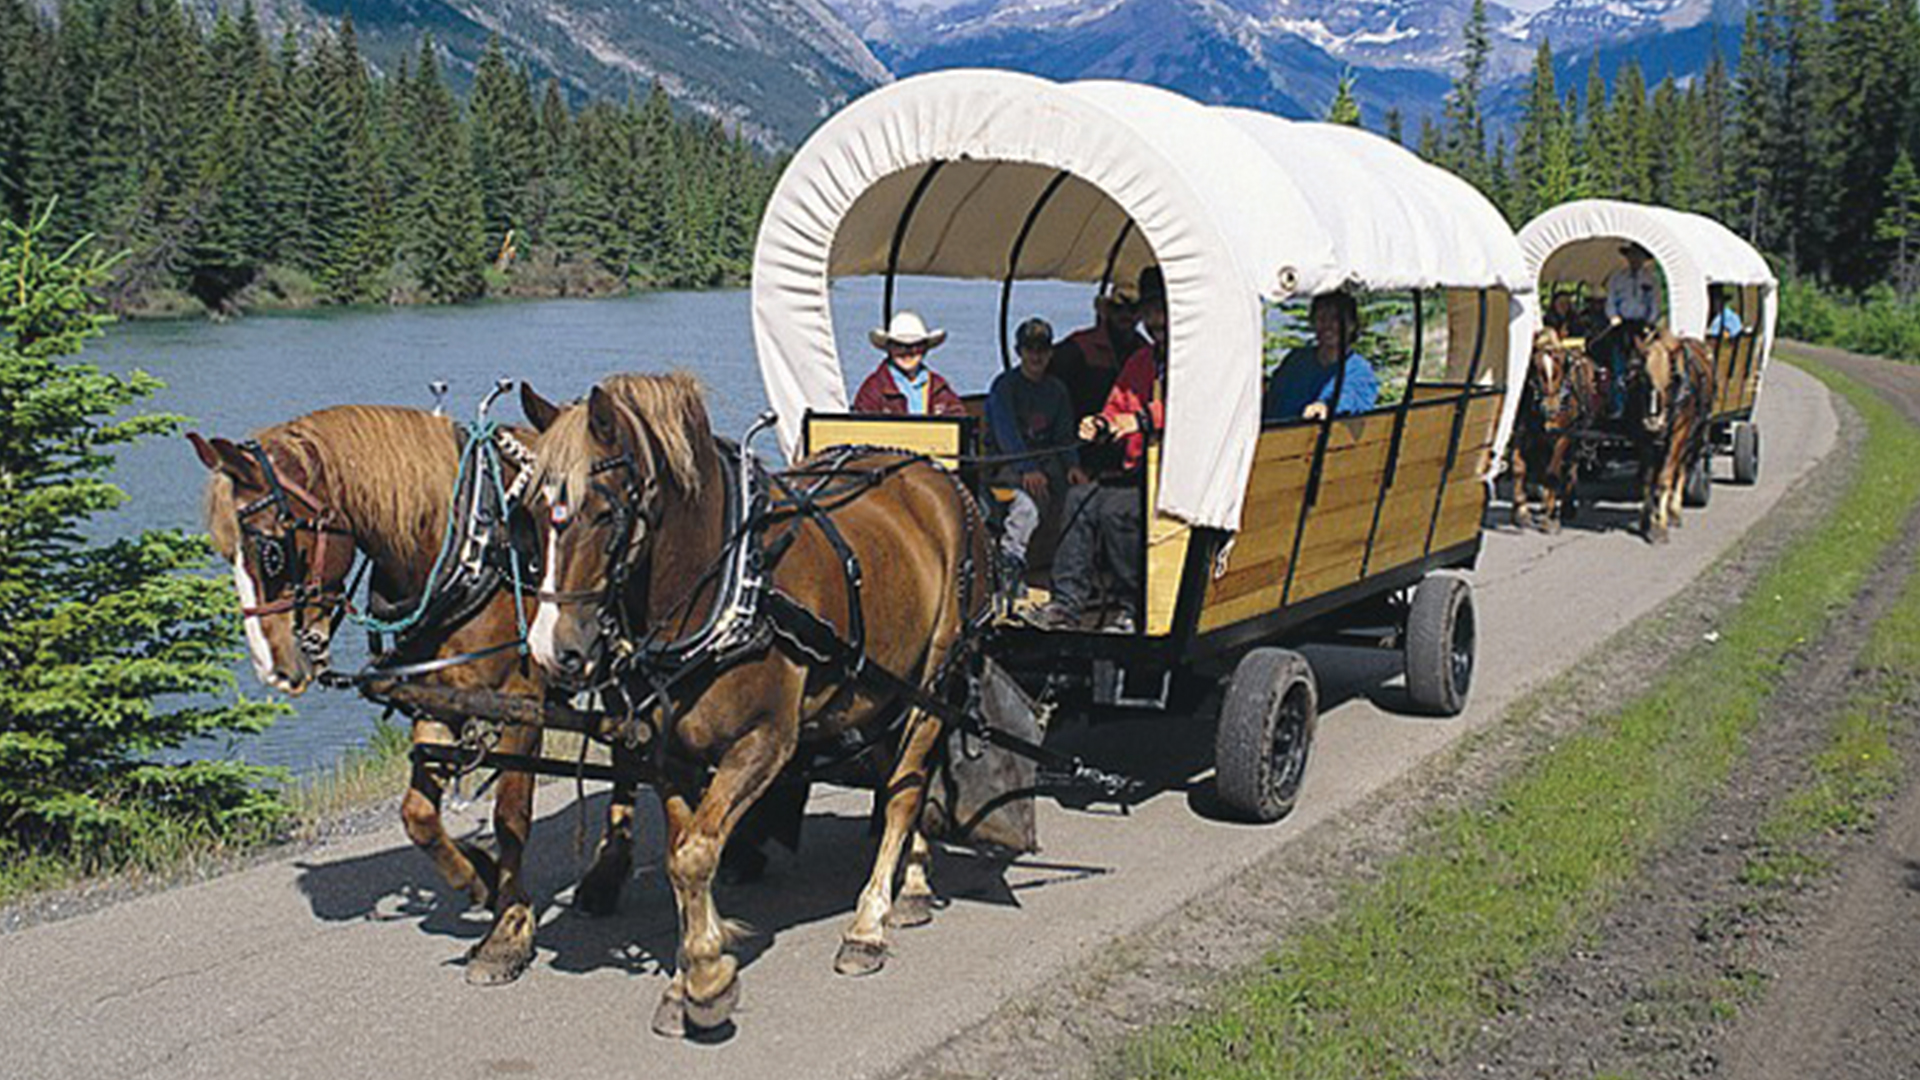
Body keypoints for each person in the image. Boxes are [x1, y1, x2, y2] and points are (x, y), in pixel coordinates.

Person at [1029, 267, 1168, 634]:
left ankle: (1133, 605)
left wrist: (1138, 421)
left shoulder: (1197, 359)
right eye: (1151, 313)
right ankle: (1066, 604)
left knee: (1116, 511)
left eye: (1160, 312)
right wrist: (1102, 423)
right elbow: (1117, 405)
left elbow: (1193, 405)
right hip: (1134, 470)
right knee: (1079, 500)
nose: (1154, 321)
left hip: (1176, 475)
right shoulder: (1142, 360)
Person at [985, 317, 1087, 583]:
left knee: (1080, 500)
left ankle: (1068, 570)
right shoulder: (1004, 386)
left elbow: (1064, 435)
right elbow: (1006, 434)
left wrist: (1073, 465)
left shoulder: (1057, 390)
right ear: (1019, 352)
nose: (1036, 356)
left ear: (1050, 353)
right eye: (1030, 349)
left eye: (1042, 349)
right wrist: (1026, 468)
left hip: (1046, 467)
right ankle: (1010, 566)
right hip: (1002, 474)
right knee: (1026, 507)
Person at [1261, 292, 1379, 423]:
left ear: (1351, 325)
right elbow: (1273, 394)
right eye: (1322, 318)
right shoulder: (1297, 361)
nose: (1328, 325)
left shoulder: (1359, 370)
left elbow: (1351, 399)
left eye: (1335, 319)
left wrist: (1325, 407)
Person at [852, 310, 967, 416]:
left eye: (915, 346)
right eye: (899, 346)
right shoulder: (873, 389)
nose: (907, 352)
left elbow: (959, 421)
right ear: (889, 348)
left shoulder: (939, 387)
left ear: (925, 349)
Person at [1605, 243, 1661, 325]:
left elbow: (1654, 303)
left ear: (1644, 258)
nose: (1635, 259)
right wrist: (1613, 316)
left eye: (1638, 255)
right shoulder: (1617, 278)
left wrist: (1650, 322)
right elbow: (1611, 299)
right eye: (1632, 255)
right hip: (1622, 322)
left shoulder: (1651, 280)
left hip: (1642, 322)